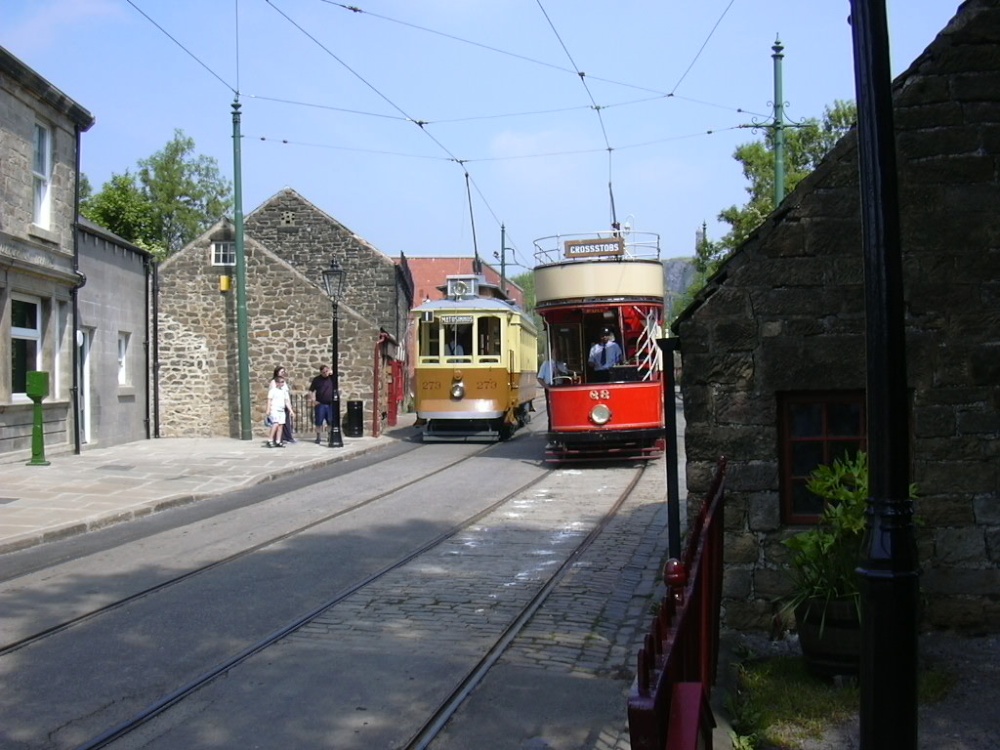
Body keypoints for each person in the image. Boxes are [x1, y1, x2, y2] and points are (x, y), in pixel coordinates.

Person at [308, 364, 336, 445]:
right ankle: (318, 437)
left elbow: (337, 379)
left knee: (330, 421)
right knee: (318, 422)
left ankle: (329, 436)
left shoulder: (332, 378)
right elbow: (311, 391)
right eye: (324, 372)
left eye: (327, 371)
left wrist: (332, 373)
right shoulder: (317, 380)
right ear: (321, 372)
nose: (326, 373)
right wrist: (313, 400)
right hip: (320, 403)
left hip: (330, 403)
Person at [269, 366, 296, 443]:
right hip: (276, 406)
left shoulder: (284, 382)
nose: (283, 373)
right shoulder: (273, 382)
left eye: (284, 372)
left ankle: (284, 438)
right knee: (276, 423)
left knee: (284, 423)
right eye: (281, 372)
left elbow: (286, 396)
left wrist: (290, 408)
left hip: (283, 405)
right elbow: (272, 396)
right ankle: (274, 439)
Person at [265, 374, 293, 448]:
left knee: (281, 425)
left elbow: (287, 401)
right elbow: (269, 400)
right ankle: (270, 440)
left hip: (281, 410)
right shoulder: (273, 391)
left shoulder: (284, 392)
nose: (282, 383)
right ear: (277, 383)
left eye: (283, 382)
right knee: (275, 424)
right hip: (274, 409)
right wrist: (268, 409)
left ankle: (278, 441)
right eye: (281, 382)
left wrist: (291, 410)